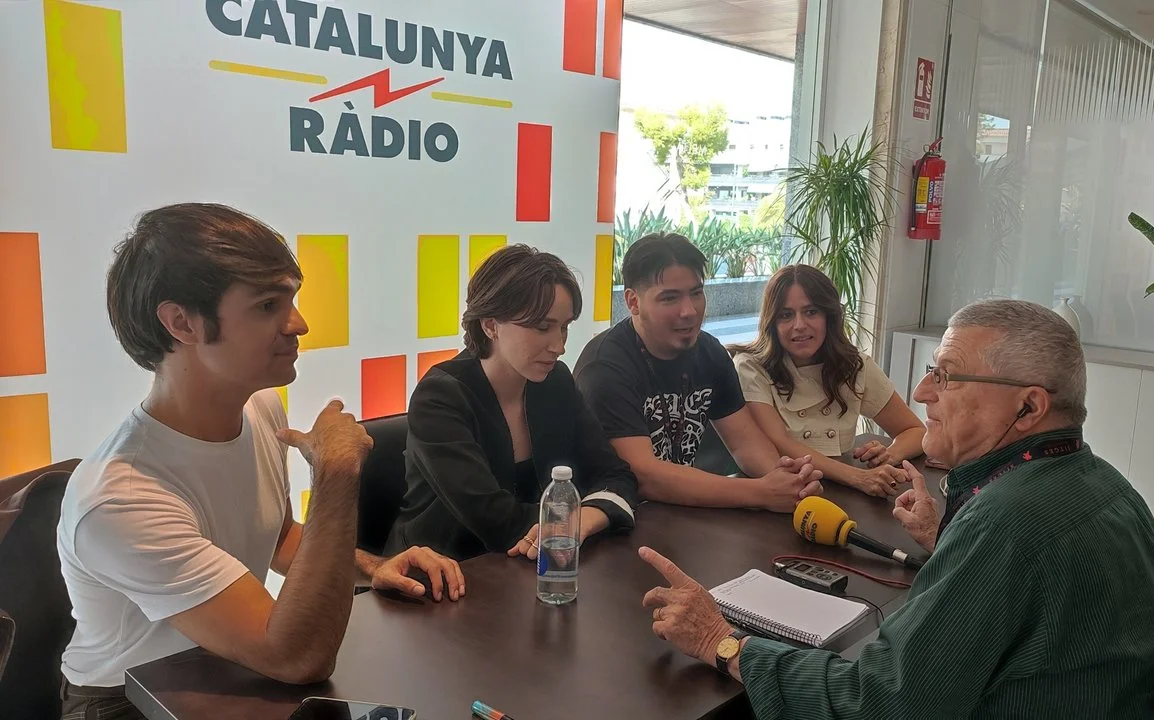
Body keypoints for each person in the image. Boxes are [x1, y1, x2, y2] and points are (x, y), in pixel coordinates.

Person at [639, 299, 1154, 719]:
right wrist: (950, 539)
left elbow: (878, 703)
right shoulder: (1109, 487)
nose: (923, 392)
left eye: (947, 375)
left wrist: (721, 641)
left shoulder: (1007, 523)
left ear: (1028, 406)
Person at [57, 204, 464, 720]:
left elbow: (278, 537)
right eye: (269, 304)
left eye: (291, 300)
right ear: (181, 323)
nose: (299, 323)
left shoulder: (260, 407)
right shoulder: (121, 498)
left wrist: (373, 567)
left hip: (224, 668)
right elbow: (297, 658)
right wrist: (335, 472)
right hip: (130, 701)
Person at [385, 245, 639, 562]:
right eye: (542, 327)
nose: (559, 346)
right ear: (490, 325)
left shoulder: (555, 381)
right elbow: (495, 522)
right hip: (440, 573)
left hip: (526, 565)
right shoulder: (439, 397)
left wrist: (584, 519)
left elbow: (617, 476)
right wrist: (578, 518)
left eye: (564, 327)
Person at [573, 233, 823, 513]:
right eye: (670, 298)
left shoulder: (710, 352)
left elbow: (745, 444)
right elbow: (643, 476)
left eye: (696, 293)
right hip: (609, 519)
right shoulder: (605, 367)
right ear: (633, 302)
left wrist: (789, 482)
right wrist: (761, 492)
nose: (689, 311)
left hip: (681, 513)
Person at [730, 265, 924, 498]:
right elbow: (779, 442)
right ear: (771, 322)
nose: (799, 325)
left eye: (811, 312)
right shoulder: (751, 367)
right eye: (786, 315)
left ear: (829, 316)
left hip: (843, 493)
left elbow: (915, 430)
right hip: (784, 494)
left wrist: (889, 455)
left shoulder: (855, 366)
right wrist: (858, 477)